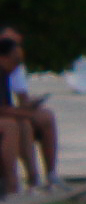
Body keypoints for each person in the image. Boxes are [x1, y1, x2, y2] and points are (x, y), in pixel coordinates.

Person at [0, 28, 56, 195]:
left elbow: (14, 102)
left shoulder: (6, 73)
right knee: (11, 126)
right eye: (14, 62)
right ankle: (11, 183)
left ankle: (39, 179)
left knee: (32, 120)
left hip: (8, 114)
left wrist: (28, 109)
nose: (16, 67)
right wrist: (24, 113)